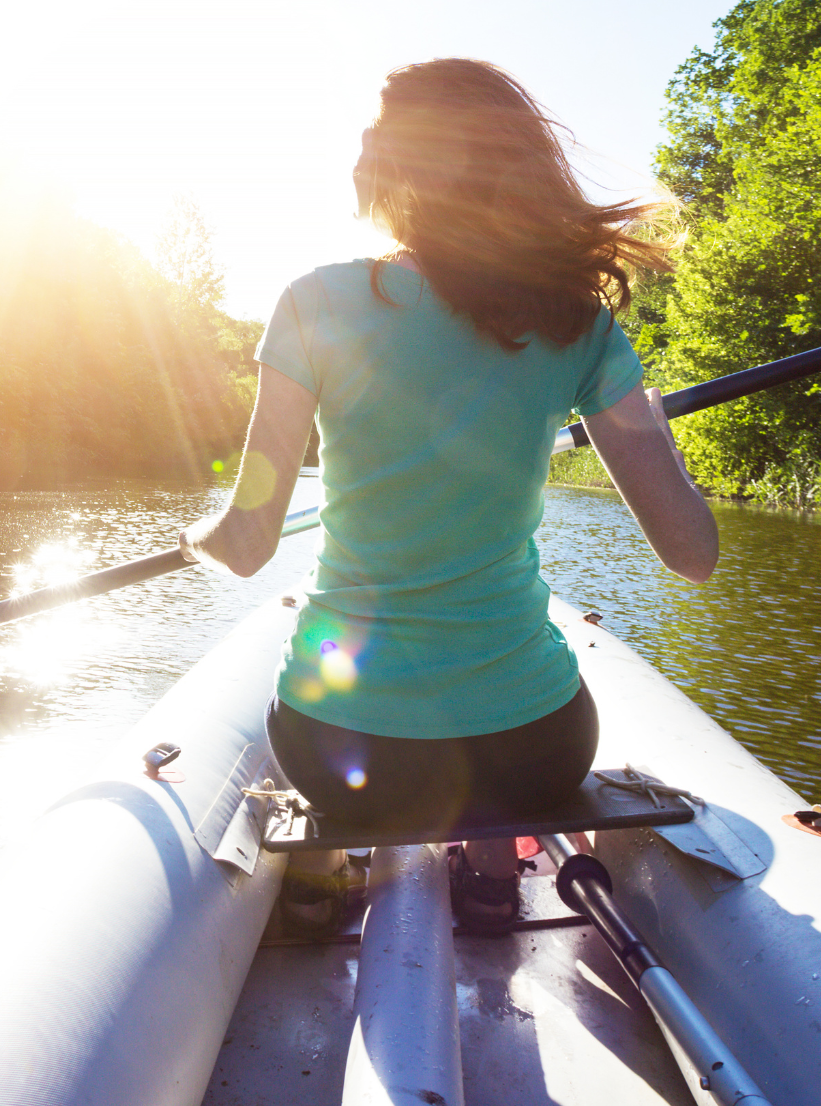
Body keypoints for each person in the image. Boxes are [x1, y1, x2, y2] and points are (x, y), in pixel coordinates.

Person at [178, 58, 718, 932]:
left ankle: (319, 885)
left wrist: (200, 532)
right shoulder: (578, 321)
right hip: (534, 755)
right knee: (499, 714)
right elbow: (694, 556)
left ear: (397, 167)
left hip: (345, 750)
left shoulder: (315, 303)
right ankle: (490, 872)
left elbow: (245, 544)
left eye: (371, 137)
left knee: (325, 697)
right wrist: (653, 430)